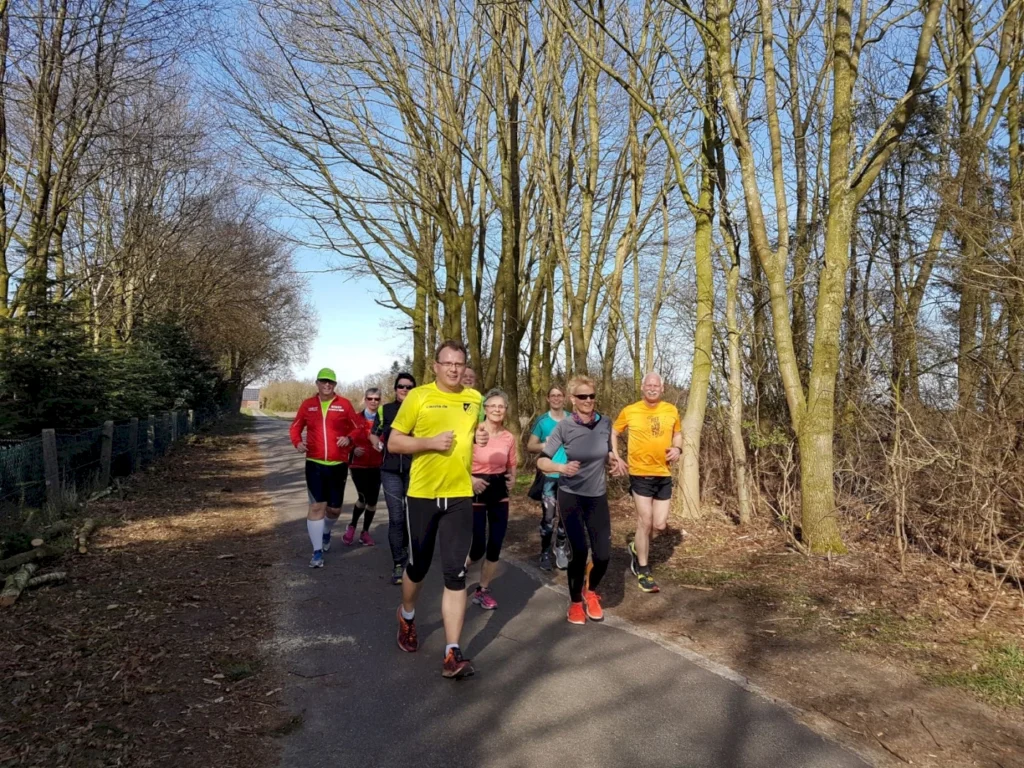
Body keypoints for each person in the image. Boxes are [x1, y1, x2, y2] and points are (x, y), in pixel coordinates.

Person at [388, 340, 488, 679]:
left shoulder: (474, 399)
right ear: (436, 365)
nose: (454, 369)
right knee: (417, 568)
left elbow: (477, 432)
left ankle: (452, 651)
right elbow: (394, 441)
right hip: (422, 495)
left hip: (459, 495)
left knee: (455, 573)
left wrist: (482, 438)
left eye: (459, 363)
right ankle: (408, 614)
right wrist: (429, 442)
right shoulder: (419, 397)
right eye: (448, 363)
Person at [537, 376, 623, 625]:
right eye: (582, 396)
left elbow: (606, 451)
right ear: (573, 399)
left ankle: (591, 590)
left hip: (597, 495)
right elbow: (541, 460)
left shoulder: (605, 422)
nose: (588, 401)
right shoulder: (564, 427)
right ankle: (575, 602)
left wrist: (614, 460)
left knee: (604, 555)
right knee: (579, 551)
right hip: (571, 495)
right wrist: (560, 468)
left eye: (592, 396)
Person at [611, 372, 683, 593]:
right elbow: (613, 432)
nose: (652, 388)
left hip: (663, 474)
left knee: (659, 525)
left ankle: (636, 546)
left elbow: (678, 434)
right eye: (648, 384)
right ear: (642, 387)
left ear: (662, 388)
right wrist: (615, 455)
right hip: (640, 473)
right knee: (645, 520)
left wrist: (677, 448)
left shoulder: (671, 410)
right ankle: (643, 569)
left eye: (656, 385)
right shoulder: (630, 410)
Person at [289, 368, 361, 568]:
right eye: (323, 381)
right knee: (316, 506)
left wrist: (349, 438)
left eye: (330, 382)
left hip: (338, 464)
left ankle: (327, 531)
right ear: (317, 383)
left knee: (334, 509)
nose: (327, 385)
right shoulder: (308, 405)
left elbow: (358, 427)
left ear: (335, 385)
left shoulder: (344, 404)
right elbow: (295, 426)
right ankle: (317, 552)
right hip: (314, 463)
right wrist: (297, 442)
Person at [467, 389, 518, 611]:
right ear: (485, 409)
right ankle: (459, 571)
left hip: (499, 490)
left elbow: (512, 462)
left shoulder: (508, 437)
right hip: (477, 487)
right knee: (478, 546)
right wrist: (471, 480)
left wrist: (513, 478)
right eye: (493, 406)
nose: (497, 410)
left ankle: (482, 590)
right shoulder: (474, 433)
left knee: (495, 543)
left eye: (501, 406)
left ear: (505, 411)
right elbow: (459, 461)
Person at [372, 373, 417, 585]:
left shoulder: (421, 409)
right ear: (395, 388)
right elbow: (375, 432)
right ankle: (398, 563)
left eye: (409, 387)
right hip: (389, 470)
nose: (405, 390)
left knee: (411, 516)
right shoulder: (385, 409)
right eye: (401, 386)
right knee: (397, 517)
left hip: (414, 469)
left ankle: (408, 551)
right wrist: (376, 442)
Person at [526, 386, 571, 571]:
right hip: (549, 476)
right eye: (553, 395)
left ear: (565, 398)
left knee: (567, 516)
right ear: (548, 398)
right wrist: (548, 443)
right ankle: (544, 552)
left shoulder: (572, 419)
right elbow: (530, 446)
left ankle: (560, 547)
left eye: (559, 395)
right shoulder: (542, 421)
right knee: (548, 517)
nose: (556, 398)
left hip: (569, 475)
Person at [343, 388, 384, 546]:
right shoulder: (355, 419)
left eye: (376, 399)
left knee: (372, 501)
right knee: (363, 497)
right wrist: (353, 449)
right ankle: (352, 525)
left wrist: (382, 447)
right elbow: (345, 439)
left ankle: (365, 532)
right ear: (364, 399)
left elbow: (388, 439)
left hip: (377, 465)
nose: (373, 401)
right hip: (358, 465)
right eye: (370, 398)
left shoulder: (384, 420)